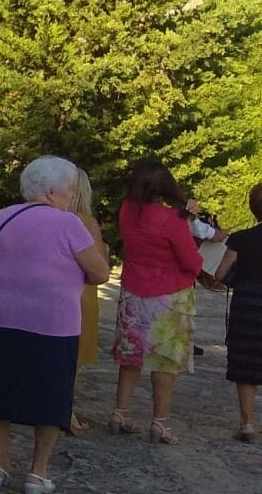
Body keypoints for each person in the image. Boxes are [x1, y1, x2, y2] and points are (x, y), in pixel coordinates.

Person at [0, 156, 110, 494]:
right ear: (51, 192)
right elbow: (100, 273)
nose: (71, 195)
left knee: (2, 389)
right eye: (68, 189)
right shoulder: (69, 224)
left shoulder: (2, 218)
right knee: (52, 396)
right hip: (55, 322)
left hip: (5, 317)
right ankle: (37, 473)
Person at [109, 159, 203, 444]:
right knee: (164, 362)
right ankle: (160, 422)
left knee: (130, 355)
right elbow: (192, 262)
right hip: (169, 296)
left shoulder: (126, 211)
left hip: (134, 291)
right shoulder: (170, 220)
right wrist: (186, 221)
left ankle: (120, 412)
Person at [211, 182, 262, 442]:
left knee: (245, 363)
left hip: (247, 305)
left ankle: (247, 424)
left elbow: (219, 274)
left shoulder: (240, 239)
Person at [69, 168, 108, 435]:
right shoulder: (85, 221)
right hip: (80, 294)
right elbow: (98, 267)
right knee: (72, 362)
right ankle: (65, 411)